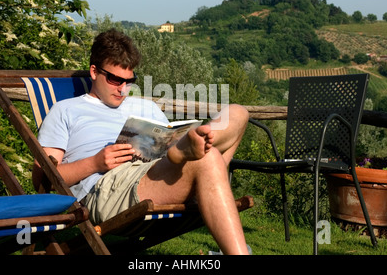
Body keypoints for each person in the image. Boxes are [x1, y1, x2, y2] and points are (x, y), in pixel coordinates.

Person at [33, 29, 251, 255]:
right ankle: (189, 152)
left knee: (238, 112)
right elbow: (41, 179)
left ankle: (191, 147)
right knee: (208, 158)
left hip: (158, 170)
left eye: (129, 81)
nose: (122, 88)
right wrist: (95, 163)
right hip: (109, 186)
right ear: (94, 71)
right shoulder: (66, 110)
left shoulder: (146, 107)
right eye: (115, 79)